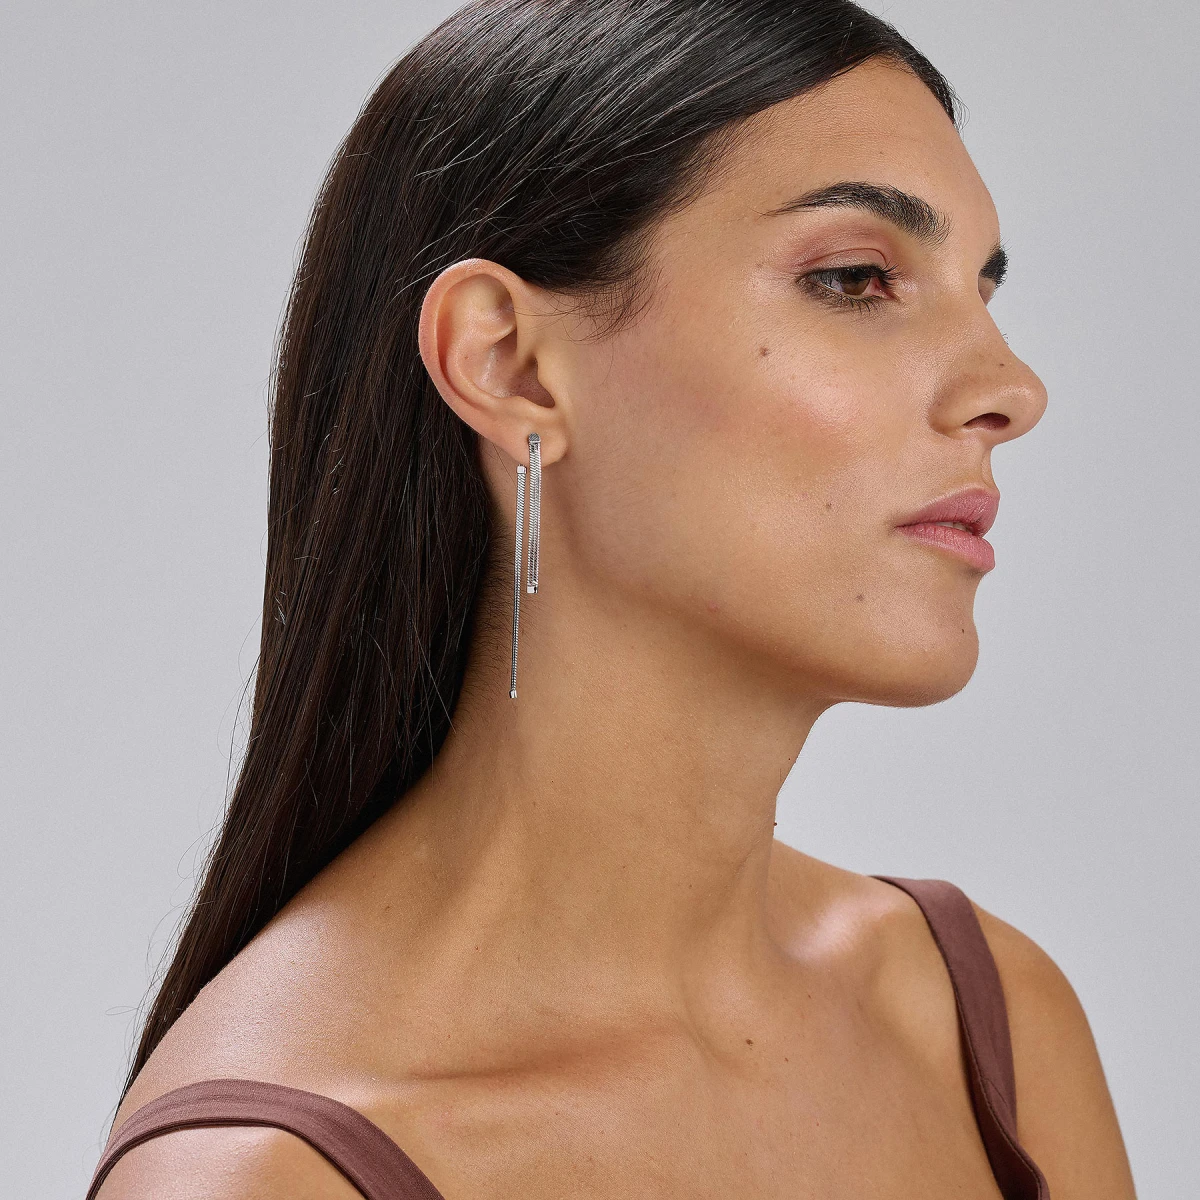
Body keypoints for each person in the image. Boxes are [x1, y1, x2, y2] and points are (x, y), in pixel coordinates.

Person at [88, 1, 1138, 1196]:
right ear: (510, 364)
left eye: (983, 289)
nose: (1012, 387)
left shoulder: (987, 1027)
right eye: (855, 278)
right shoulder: (270, 1173)